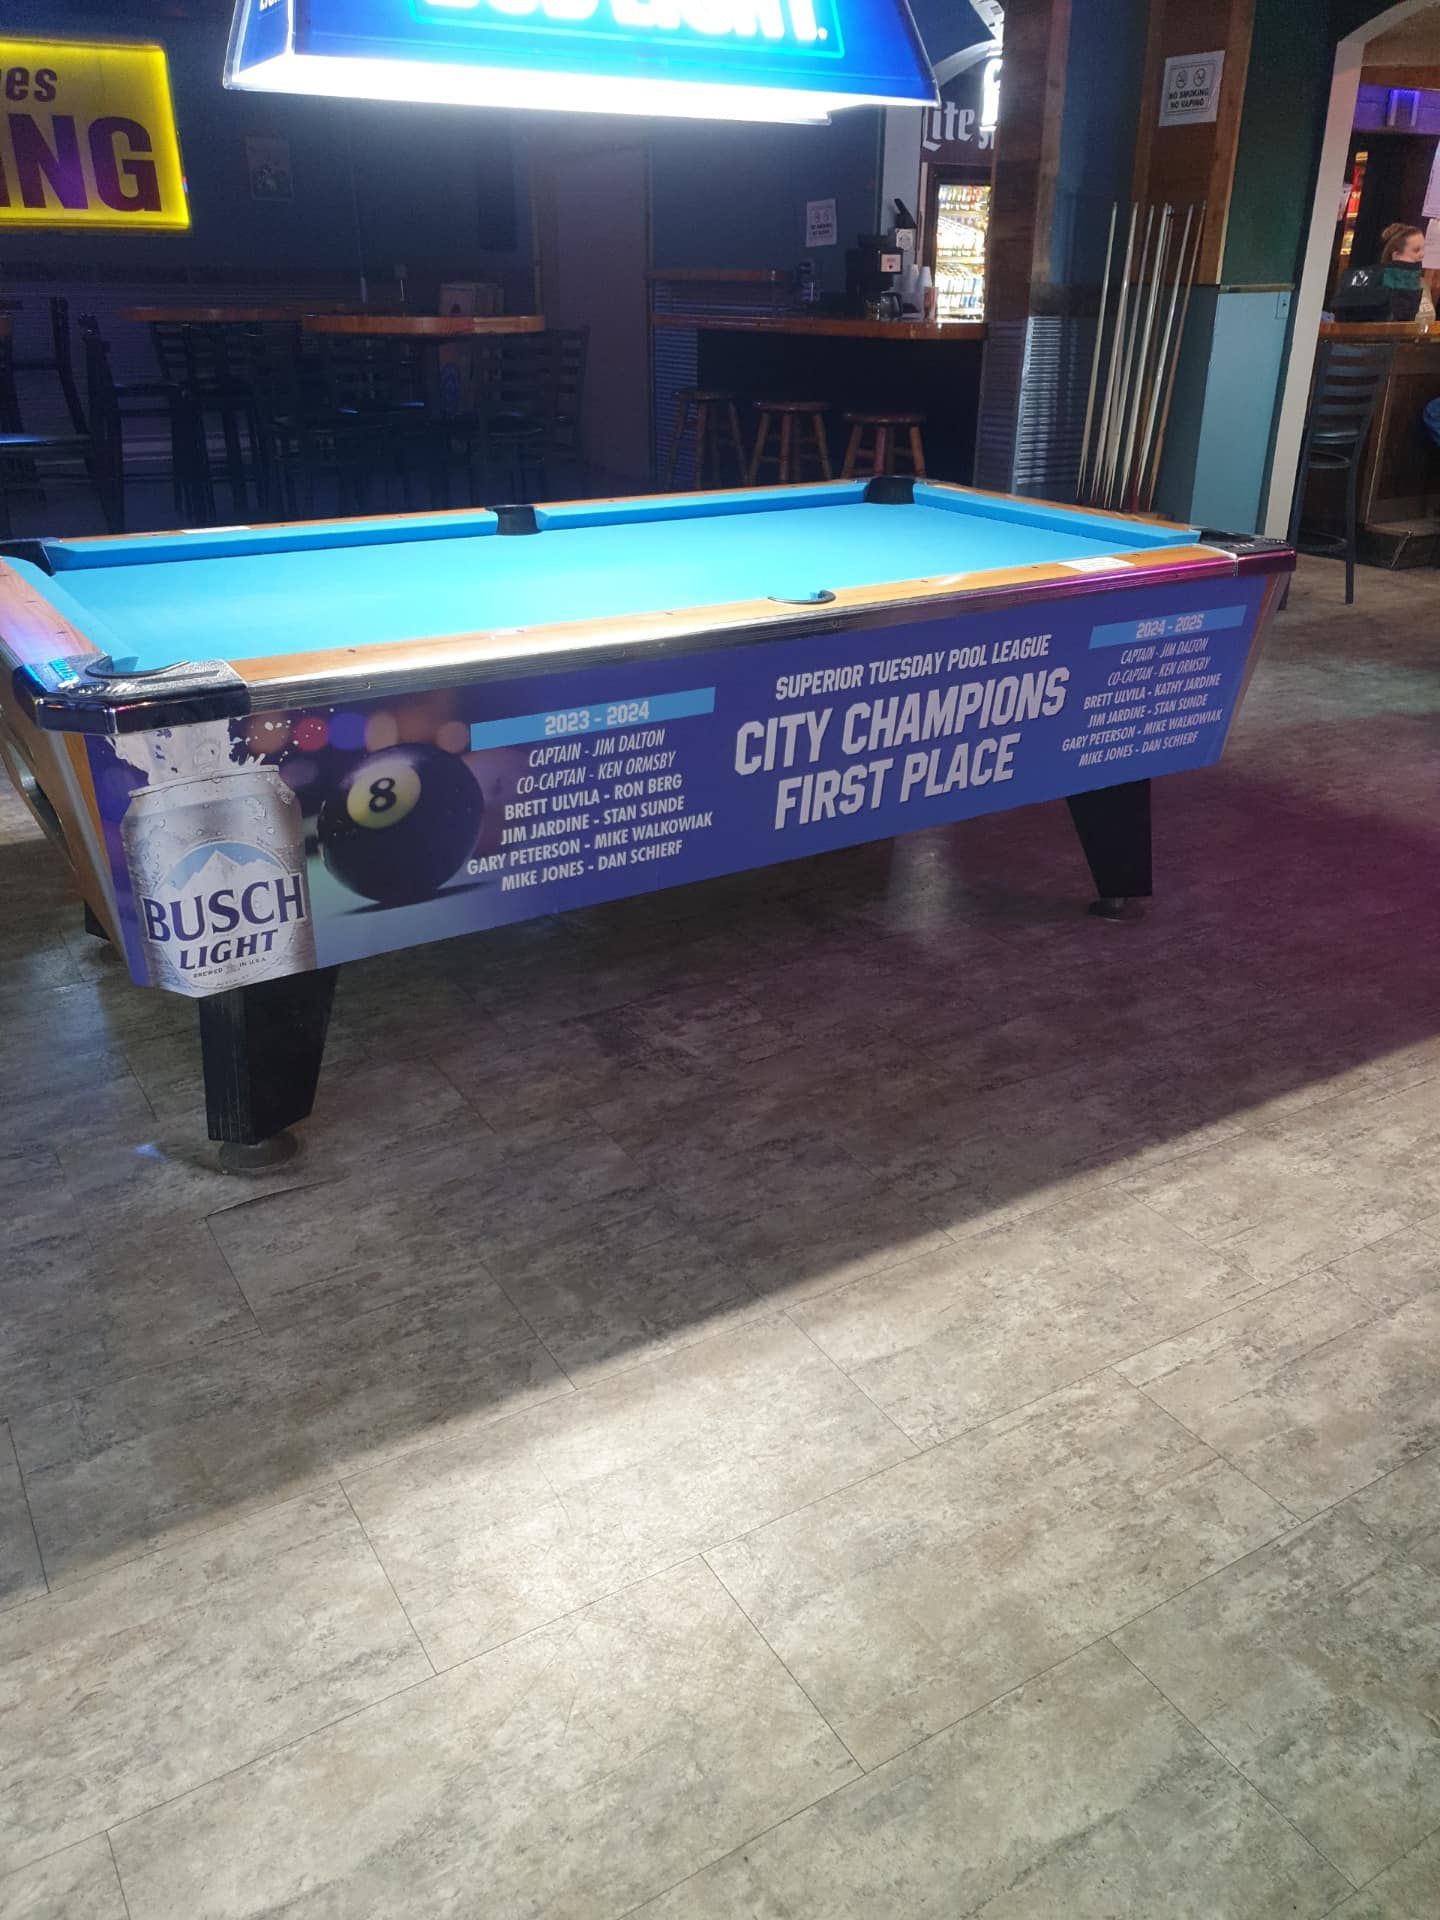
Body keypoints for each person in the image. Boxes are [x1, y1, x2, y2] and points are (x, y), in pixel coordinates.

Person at [1332, 223, 1427, 321]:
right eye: (1416, 250)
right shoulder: (1400, 280)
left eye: (1424, 249)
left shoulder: (1356, 276)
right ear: (1396, 255)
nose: (1422, 254)